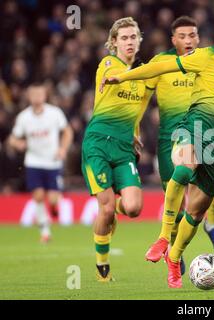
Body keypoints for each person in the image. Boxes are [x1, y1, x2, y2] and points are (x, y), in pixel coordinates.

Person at [101, 12, 214, 288]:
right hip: (192, 130)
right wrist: (124, 77)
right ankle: (162, 237)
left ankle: (174, 257)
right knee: (184, 169)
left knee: (196, 212)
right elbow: (158, 68)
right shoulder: (206, 57)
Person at [144, 16, 214, 268]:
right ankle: (174, 251)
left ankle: (212, 226)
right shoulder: (161, 62)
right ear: (173, 39)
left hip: (202, 132)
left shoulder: (207, 59)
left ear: (198, 37)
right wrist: (135, 128)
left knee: (212, 190)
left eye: (192, 35)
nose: (189, 40)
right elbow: (143, 97)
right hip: (169, 138)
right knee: (177, 198)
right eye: (183, 36)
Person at [81, 17, 151, 282]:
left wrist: (134, 134)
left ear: (139, 40)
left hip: (123, 148)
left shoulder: (142, 78)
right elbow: (112, 75)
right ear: (114, 43)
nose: (129, 42)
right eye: (124, 38)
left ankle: (114, 211)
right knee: (106, 209)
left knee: (133, 208)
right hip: (98, 143)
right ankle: (102, 265)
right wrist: (116, 77)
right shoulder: (109, 64)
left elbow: (136, 110)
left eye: (133, 37)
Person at [8, 82, 73, 243]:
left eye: (40, 94)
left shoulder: (54, 113)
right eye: (33, 94)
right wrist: (18, 143)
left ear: (45, 96)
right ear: (29, 97)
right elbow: (12, 138)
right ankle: (45, 231)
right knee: (37, 196)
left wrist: (63, 149)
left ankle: (53, 207)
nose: (37, 97)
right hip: (33, 161)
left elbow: (67, 131)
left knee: (51, 198)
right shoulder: (24, 117)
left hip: (52, 162)